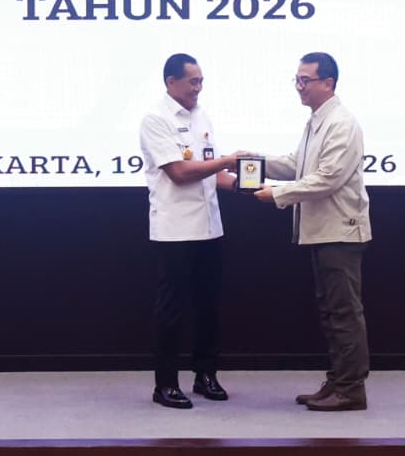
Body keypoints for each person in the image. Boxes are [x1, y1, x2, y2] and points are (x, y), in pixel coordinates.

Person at [253, 52, 372, 411]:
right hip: (322, 232)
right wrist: (253, 162)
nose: (299, 87)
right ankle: (338, 381)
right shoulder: (317, 120)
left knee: (344, 313)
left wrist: (278, 194)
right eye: (297, 79)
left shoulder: (342, 122)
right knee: (331, 313)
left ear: (328, 83)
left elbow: (328, 178)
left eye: (306, 80)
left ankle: (351, 390)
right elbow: (297, 165)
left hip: (340, 232)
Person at [139, 52, 239, 409]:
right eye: (192, 81)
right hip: (175, 229)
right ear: (171, 82)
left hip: (209, 226)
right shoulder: (156, 119)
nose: (198, 88)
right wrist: (227, 161)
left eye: (201, 81)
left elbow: (216, 174)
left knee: (208, 305)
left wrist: (250, 185)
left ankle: (205, 375)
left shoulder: (202, 116)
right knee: (173, 309)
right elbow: (179, 173)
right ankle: (165, 384)